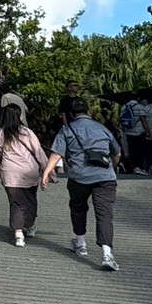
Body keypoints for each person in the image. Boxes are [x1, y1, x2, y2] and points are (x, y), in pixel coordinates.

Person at [47, 93, 123, 272]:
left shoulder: (67, 129)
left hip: (79, 177)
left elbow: (57, 153)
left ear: (71, 114)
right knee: (104, 214)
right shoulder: (102, 128)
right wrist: (111, 167)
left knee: (78, 208)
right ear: (89, 111)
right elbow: (117, 153)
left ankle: (80, 244)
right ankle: (107, 253)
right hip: (105, 177)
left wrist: (46, 173)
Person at [0, 94, 49, 246]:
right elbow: (38, 152)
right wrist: (48, 170)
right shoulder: (27, 132)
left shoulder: (1, 133)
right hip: (29, 171)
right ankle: (29, 225)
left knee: (16, 203)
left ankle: (18, 234)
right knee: (30, 200)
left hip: (10, 172)